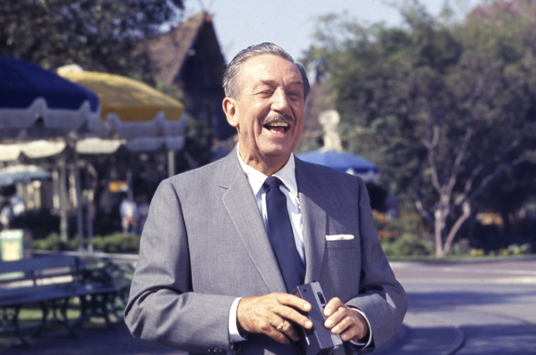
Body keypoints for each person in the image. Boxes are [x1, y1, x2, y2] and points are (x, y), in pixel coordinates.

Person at [125, 43, 407, 355]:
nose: (282, 104)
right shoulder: (181, 196)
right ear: (231, 110)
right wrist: (238, 313)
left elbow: (387, 291)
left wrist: (361, 318)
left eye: (294, 94)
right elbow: (145, 308)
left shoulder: (346, 191)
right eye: (266, 92)